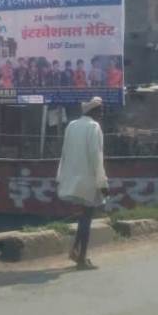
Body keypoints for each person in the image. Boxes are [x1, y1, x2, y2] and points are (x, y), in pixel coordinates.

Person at [56, 96, 109, 270]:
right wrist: (103, 183)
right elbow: (96, 157)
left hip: (72, 178)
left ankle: (75, 251)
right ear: (93, 111)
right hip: (88, 180)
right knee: (86, 218)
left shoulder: (71, 126)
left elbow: (64, 153)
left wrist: (60, 177)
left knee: (83, 217)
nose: (102, 113)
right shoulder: (94, 127)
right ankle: (82, 258)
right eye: (100, 110)